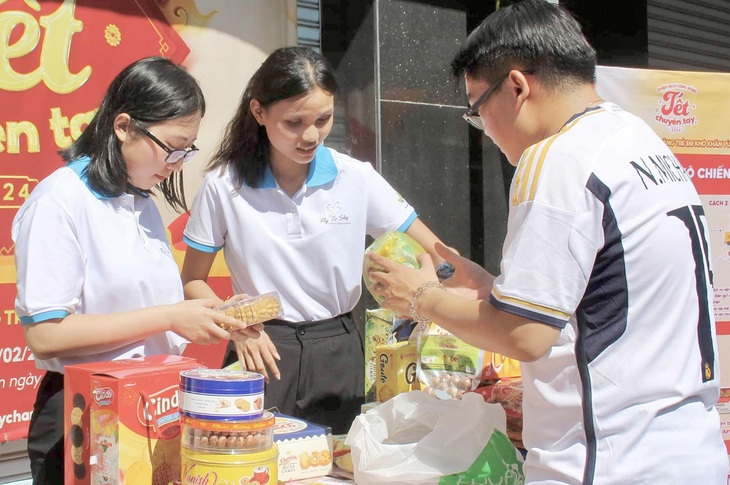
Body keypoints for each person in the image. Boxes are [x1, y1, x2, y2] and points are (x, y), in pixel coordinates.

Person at [366, 1, 728, 483]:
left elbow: (524, 336)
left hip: (609, 459)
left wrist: (420, 297)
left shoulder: (557, 159)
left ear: (517, 86)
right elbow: (603, 300)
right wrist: (492, 287)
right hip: (684, 447)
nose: (483, 132)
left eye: (477, 110)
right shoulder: (637, 138)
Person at [12, 56, 259, 485]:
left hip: (151, 402)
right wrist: (169, 316)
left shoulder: (141, 203)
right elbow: (46, 332)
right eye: (172, 148)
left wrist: (213, 314)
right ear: (123, 126)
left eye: (188, 149)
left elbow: (145, 307)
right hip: (85, 412)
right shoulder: (59, 201)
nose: (178, 163)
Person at [180, 46, 444, 433]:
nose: (310, 135)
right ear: (259, 113)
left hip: (338, 349)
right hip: (261, 348)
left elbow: (433, 250)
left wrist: (441, 293)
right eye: (293, 122)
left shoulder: (355, 177)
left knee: (333, 463)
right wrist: (237, 325)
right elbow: (192, 281)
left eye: (323, 119)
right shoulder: (225, 185)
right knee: (250, 463)